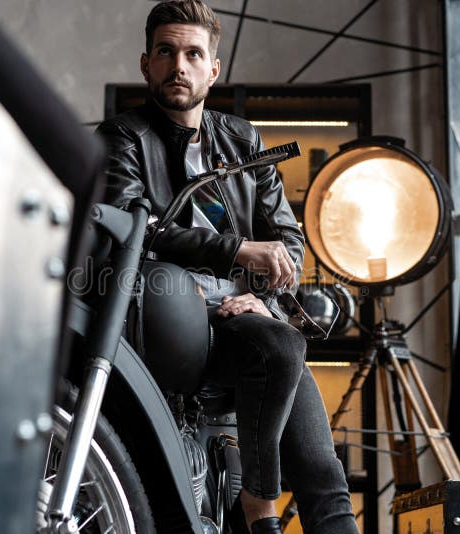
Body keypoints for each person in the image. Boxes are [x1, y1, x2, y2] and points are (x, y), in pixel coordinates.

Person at [97, 2, 359, 533]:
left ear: (213, 70)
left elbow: (287, 239)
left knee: (322, 471)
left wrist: (266, 297)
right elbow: (130, 226)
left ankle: (259, 509)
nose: (179, 66)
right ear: (146, 65)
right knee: (282, 348)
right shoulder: (122, 137)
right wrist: (236, 249)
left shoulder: (243, 141)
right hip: (168, 318)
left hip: (246, 317)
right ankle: (261, 512)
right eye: (166, 53)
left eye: (194, 54)